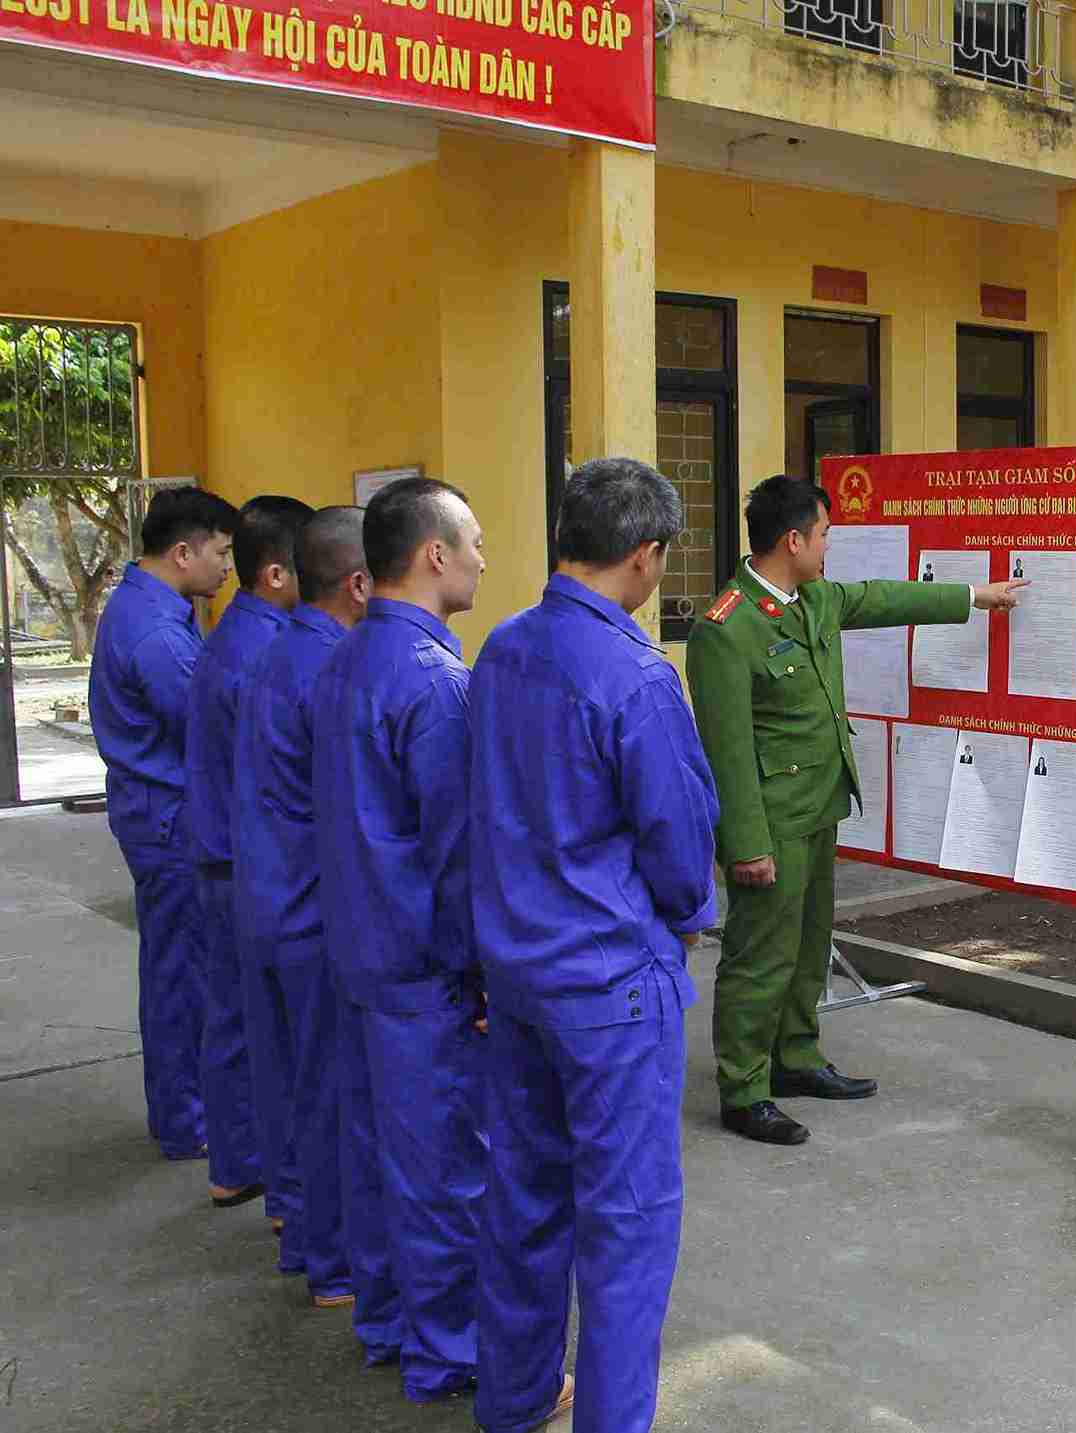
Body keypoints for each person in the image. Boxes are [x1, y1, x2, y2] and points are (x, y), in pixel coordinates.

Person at [470, 458, 720, 1433]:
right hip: (611, 986)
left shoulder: (499, 648)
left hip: (516, 973)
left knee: (525, 1197)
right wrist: (686, 912)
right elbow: (674, 841)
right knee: (624, 1226)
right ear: (646, 555)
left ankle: (517, 1394)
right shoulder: (635, 676)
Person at [687, 474, 1026, 1145]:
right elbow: (724, 753)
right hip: (772, 823)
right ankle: (745, 1088)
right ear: (793, 539)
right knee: (761, 955)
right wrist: (744, 844)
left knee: (809, 947)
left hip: (819, 807)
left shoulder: (812, 597)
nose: (829, 547)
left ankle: (796, 1057)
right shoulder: (727, 628)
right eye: (824, 535)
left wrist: (974, 596)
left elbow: (882, 598)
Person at [314, 477, 486, 1403]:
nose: (482, 559)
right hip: (420, 964)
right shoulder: (434, 683)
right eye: (473, 542)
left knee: (377, 1148)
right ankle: (451, 1349)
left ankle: (387, 1320)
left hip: (355, 946)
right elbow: (455, 852)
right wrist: (481, 971)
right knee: (444, 1167)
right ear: (433, 555)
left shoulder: (338, 658)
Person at [233, 508, 376, 1322]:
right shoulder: (331, 669)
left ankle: (296, 1226)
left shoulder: (279, 648)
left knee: (291, 1078)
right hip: (308, 908)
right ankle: (331, 1261)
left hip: (268, 894)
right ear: (359, 583)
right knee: (329, 1091)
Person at [89, 486, 238, 1166]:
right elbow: (204, 720)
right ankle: (185, 1117)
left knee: (178, 964)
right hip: (168, 815)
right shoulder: (153, 631)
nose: (226, 568)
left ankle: (184, 1106)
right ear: (183, 551)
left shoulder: (152, 607)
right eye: (221, 553)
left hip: (157, 805)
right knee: (182, 971)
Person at [184, 495, 312, 1216]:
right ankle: (257, 1168)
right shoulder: (267, 656)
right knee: (262, 1031)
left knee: (240, 1021)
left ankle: (244, 1162)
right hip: (246, 864)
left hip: (224, 852)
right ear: (274, 574)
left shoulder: (232, 635)